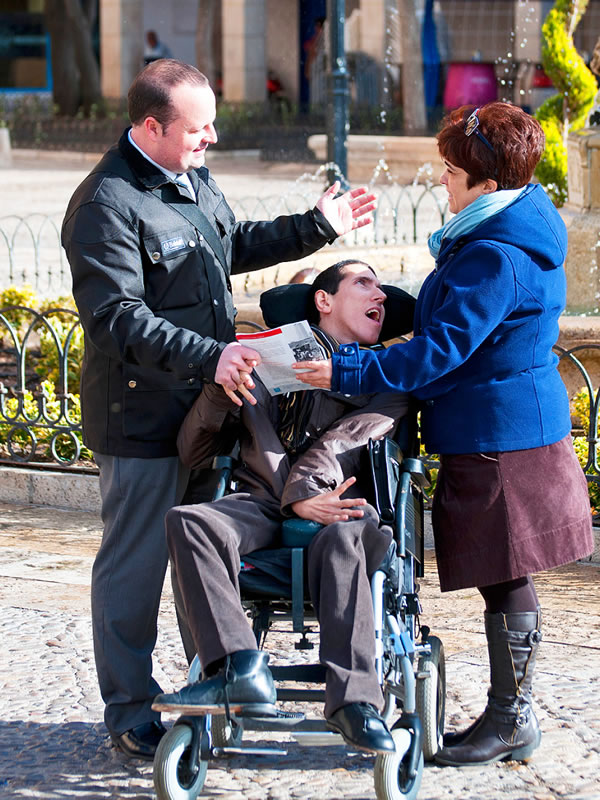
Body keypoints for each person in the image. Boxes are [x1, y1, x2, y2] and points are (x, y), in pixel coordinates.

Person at [61, 59, 376, 761]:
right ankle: (129, 710)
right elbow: (116, 318)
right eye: (198, 130)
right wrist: (212, 357)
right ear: (151, 126)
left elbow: (230, 245)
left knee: (201, 553)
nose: (211, 140)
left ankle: (218, 680)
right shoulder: (104, 205)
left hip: (208, 415)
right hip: (142, 421)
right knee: (134, 568)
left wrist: (314, 227)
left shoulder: (191, 178)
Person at [294, 102, 595, 766]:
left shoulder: (494, 254)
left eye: (452, 172)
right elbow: (447, 312)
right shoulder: (505, 228)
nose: (443, 182)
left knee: (507, 575)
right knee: (503, 572)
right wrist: (356, 295)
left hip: (500, 434)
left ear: (486, 184)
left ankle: (513, 718)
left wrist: (344, 365)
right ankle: (512, 716)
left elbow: (440, 351)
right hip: (499, 425)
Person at [152, 260, 412, 754]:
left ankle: (355, 702)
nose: (379, 295)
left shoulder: (391, 379)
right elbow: (193, 452)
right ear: (323, 300)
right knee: (190, 521)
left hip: (344, 504)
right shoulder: (269, 367)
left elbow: (348, 437)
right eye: (364, 283)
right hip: (261, 503)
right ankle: (236, 668)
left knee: (342, 535)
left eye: (382, 289)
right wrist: (220, 390)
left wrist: (307, 493)